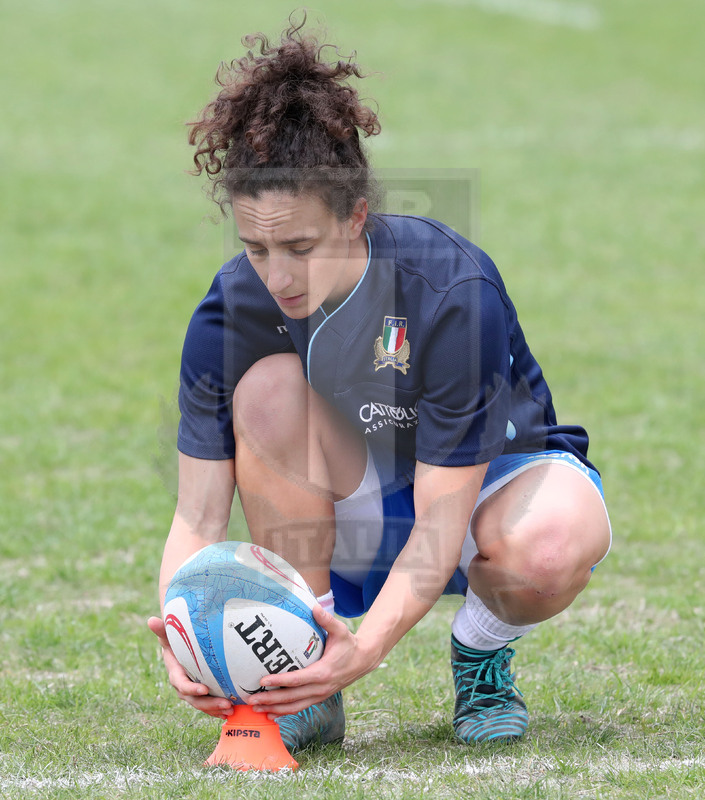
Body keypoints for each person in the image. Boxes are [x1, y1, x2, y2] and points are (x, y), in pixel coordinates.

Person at [148, 16, 611, 751]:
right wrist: (178, 631)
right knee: (265, 394)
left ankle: (481, 654)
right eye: (255, 246)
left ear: (356, 216)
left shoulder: (449, 288)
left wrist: (366, 653)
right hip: (360, 501)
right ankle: (304, 682)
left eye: (300, 246)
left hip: (486, 485)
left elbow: (438, 523)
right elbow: (199, 519)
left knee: (549, 550)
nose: (277, 275)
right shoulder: (231, 309)